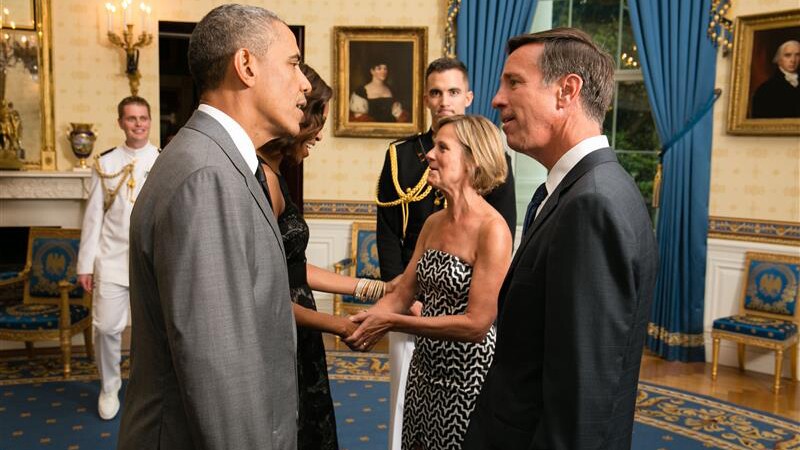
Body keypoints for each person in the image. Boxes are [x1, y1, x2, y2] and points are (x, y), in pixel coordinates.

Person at [117, 5, 311, 450]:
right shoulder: (207, 176)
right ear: (246, 66)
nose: (304, 83)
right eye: (294, 63)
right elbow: (219, 368)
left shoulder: (217, 161)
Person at [461, 28, 659, 450]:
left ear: (566, 91)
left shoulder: (593, 204)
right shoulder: (586, 188)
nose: (496, 99)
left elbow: (582, 401)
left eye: (513, 82)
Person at [375, 57, 517, 450]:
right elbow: (394, 250)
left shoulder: (492, 228)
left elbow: (477, 322)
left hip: (466, 371)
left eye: (442, 149)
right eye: (435, 92)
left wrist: (394, 322)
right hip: (425, 361)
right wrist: (378, 312)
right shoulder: (433, 218)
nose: (429, 156)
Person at [256, 63, 388, 450]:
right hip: (285, 330)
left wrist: (374, 287)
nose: (320, 134)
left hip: (301, 328)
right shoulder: (263, 178)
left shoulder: (276, 173)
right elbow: (268, 292)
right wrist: (341, 325)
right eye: (318, 120)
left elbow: (294, 269)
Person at [76, 95, 158, 421]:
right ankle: (110, 386)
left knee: (153, 332)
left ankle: (147, 387)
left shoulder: (164, 160)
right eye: (131, 118)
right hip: (110, 260)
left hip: (150, 263)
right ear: (121, 122)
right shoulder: (106, 163)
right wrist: (85, 264)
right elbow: (92, 218)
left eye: (143, 118)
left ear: (149, 121)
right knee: (107, 328)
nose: (138, 124)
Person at [751, 39, 800, 118]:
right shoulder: (765, 89)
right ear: (779, 60)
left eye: (797, 55)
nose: (793, 60)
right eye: (788, 55)